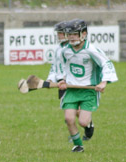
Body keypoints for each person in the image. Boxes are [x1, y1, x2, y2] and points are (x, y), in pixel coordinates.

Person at [56, 19, 118, 152]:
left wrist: (103, 82)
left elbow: (107, 64)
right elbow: (63, 68)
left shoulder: (91, 50)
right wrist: (62, 80)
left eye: (74, 34)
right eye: (69, 34)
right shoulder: (64, 51)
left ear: (83, 34)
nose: (71, 37)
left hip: (88, 91)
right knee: (69, 118)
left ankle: (89, 125)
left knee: (83, 122)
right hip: (71, 90)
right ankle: (78, 145)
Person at [46, 20, 69, 100]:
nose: (58, 35)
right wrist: (50, 79)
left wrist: (66, 79)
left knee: (77, 110)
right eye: (58, 33)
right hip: (60, 83)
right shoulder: (58, 48)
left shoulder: (72, 49)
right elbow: (54, 67)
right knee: (68, 109)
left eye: (60, 33)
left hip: (70, 82)